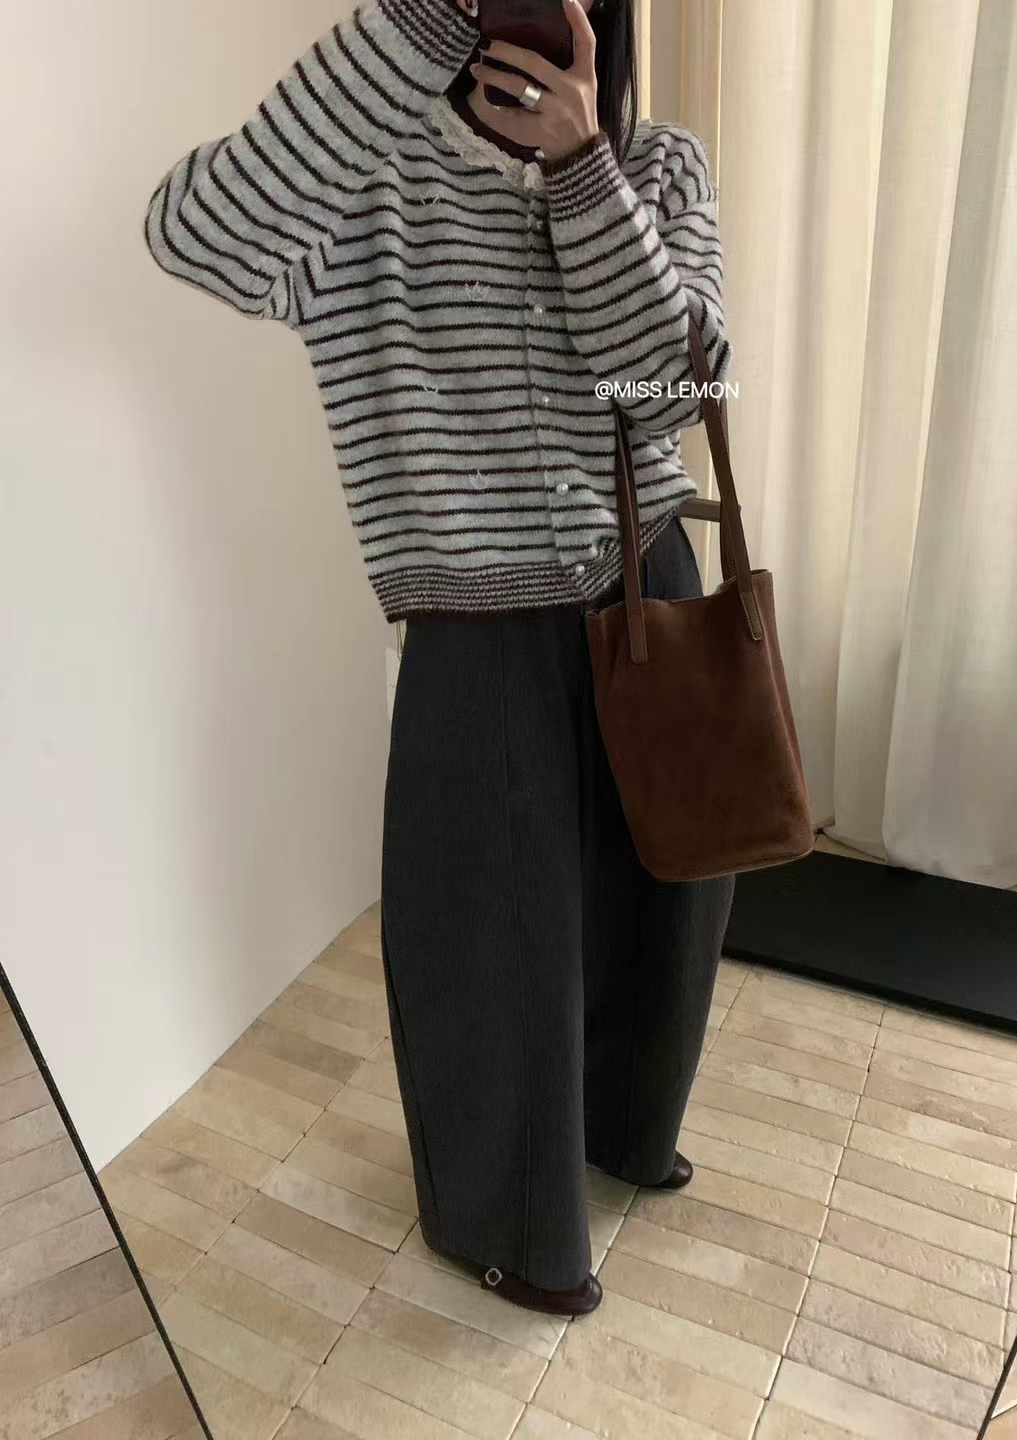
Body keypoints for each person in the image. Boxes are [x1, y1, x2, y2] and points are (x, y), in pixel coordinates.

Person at [144, 0, 736, 1318]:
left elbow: (679, 387)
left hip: (647, 579)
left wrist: (584, 172)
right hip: (473, 620)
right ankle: (511, 1226)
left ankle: (626, 1132)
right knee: (488, 933)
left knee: (670, 892)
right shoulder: (365, 173)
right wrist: (407, 32)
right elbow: (193, 230)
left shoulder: (658, 165)